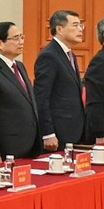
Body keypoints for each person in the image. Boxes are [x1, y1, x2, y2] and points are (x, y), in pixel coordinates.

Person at [0, 22, 41, 160]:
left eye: (22, 37)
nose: (21, 42)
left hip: (29, 145)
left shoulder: (19, 65)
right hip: (8, 148)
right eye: (16, 38)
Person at [33, 8, 86, 150]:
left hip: (73, 129)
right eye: (75, 25)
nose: (80, 29)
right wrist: (48, 133)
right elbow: (41, 96)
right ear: (60, 29)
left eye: (81, 25)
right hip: (57, 131)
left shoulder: (70, 54)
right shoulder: (49, 55)